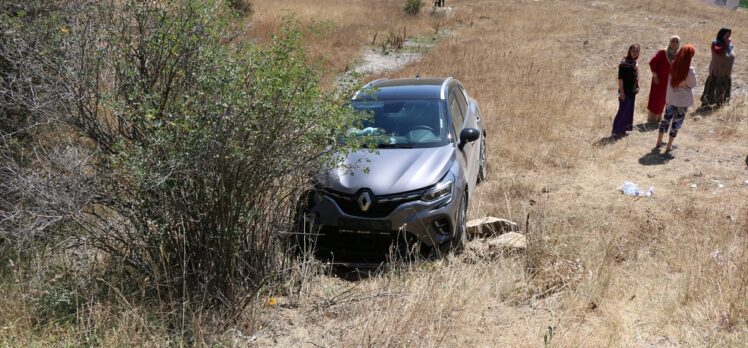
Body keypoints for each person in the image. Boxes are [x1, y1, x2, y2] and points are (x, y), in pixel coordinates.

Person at [657, 45, 697, 153]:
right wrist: (685, 85)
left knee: (666, 120)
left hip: (671, 98)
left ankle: (659, 141)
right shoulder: (689, 69)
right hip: (682, 101)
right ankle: (669, 146)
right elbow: (693, 84)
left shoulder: (673, 64)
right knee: (676, 123)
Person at [646, 36, 680, 123]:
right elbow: (652, 62)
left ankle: (658, 119)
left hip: (669, 82)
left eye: (676, 42)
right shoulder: (662, 52)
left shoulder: (678, 55)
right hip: (658, 80)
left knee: (664, 99)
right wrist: (655, 75)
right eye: (673, 41)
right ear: (669, 42)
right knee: (656, 98)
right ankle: (651, 119)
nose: (674, 43)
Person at [700, 28, 735, 108]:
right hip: (716, 72)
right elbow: (718, 51)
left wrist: (727, 44)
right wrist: (725, 44)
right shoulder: (715, 43)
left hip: (726, 73)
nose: (728, 37)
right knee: (712, 88)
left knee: (723, 90)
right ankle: (707, 105)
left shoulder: (730, 45)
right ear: (722, 35)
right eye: (726, 35)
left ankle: (720, 105)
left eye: (729, 35)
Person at [611, 44, 640, 137]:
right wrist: (622, 92)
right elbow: (620, 79)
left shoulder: (634, 63)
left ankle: (623, 129)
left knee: (628, 110)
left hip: (632, 91)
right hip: (625, 91)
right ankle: (615, 130)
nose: (635, 53)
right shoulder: (623, 64)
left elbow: (636, 77)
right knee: (622, 110)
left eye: (637, 51)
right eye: (633, 51)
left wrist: (637, 86)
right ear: (629, 51)